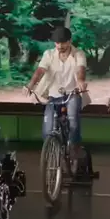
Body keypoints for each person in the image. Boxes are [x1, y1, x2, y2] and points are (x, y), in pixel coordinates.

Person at [23, 27, 88, 160]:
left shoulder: (78, 54)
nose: (60, 46)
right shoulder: (49, 54)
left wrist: (81, 81)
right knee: (47, 129)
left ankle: (74, 150)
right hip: (53, 96)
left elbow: (80, 69)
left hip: (72, 93)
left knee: (73, 121)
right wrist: (30, 85)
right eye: (57, 43)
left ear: (69, 41)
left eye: (63, 43)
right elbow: (40, 70)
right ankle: (52, 156)